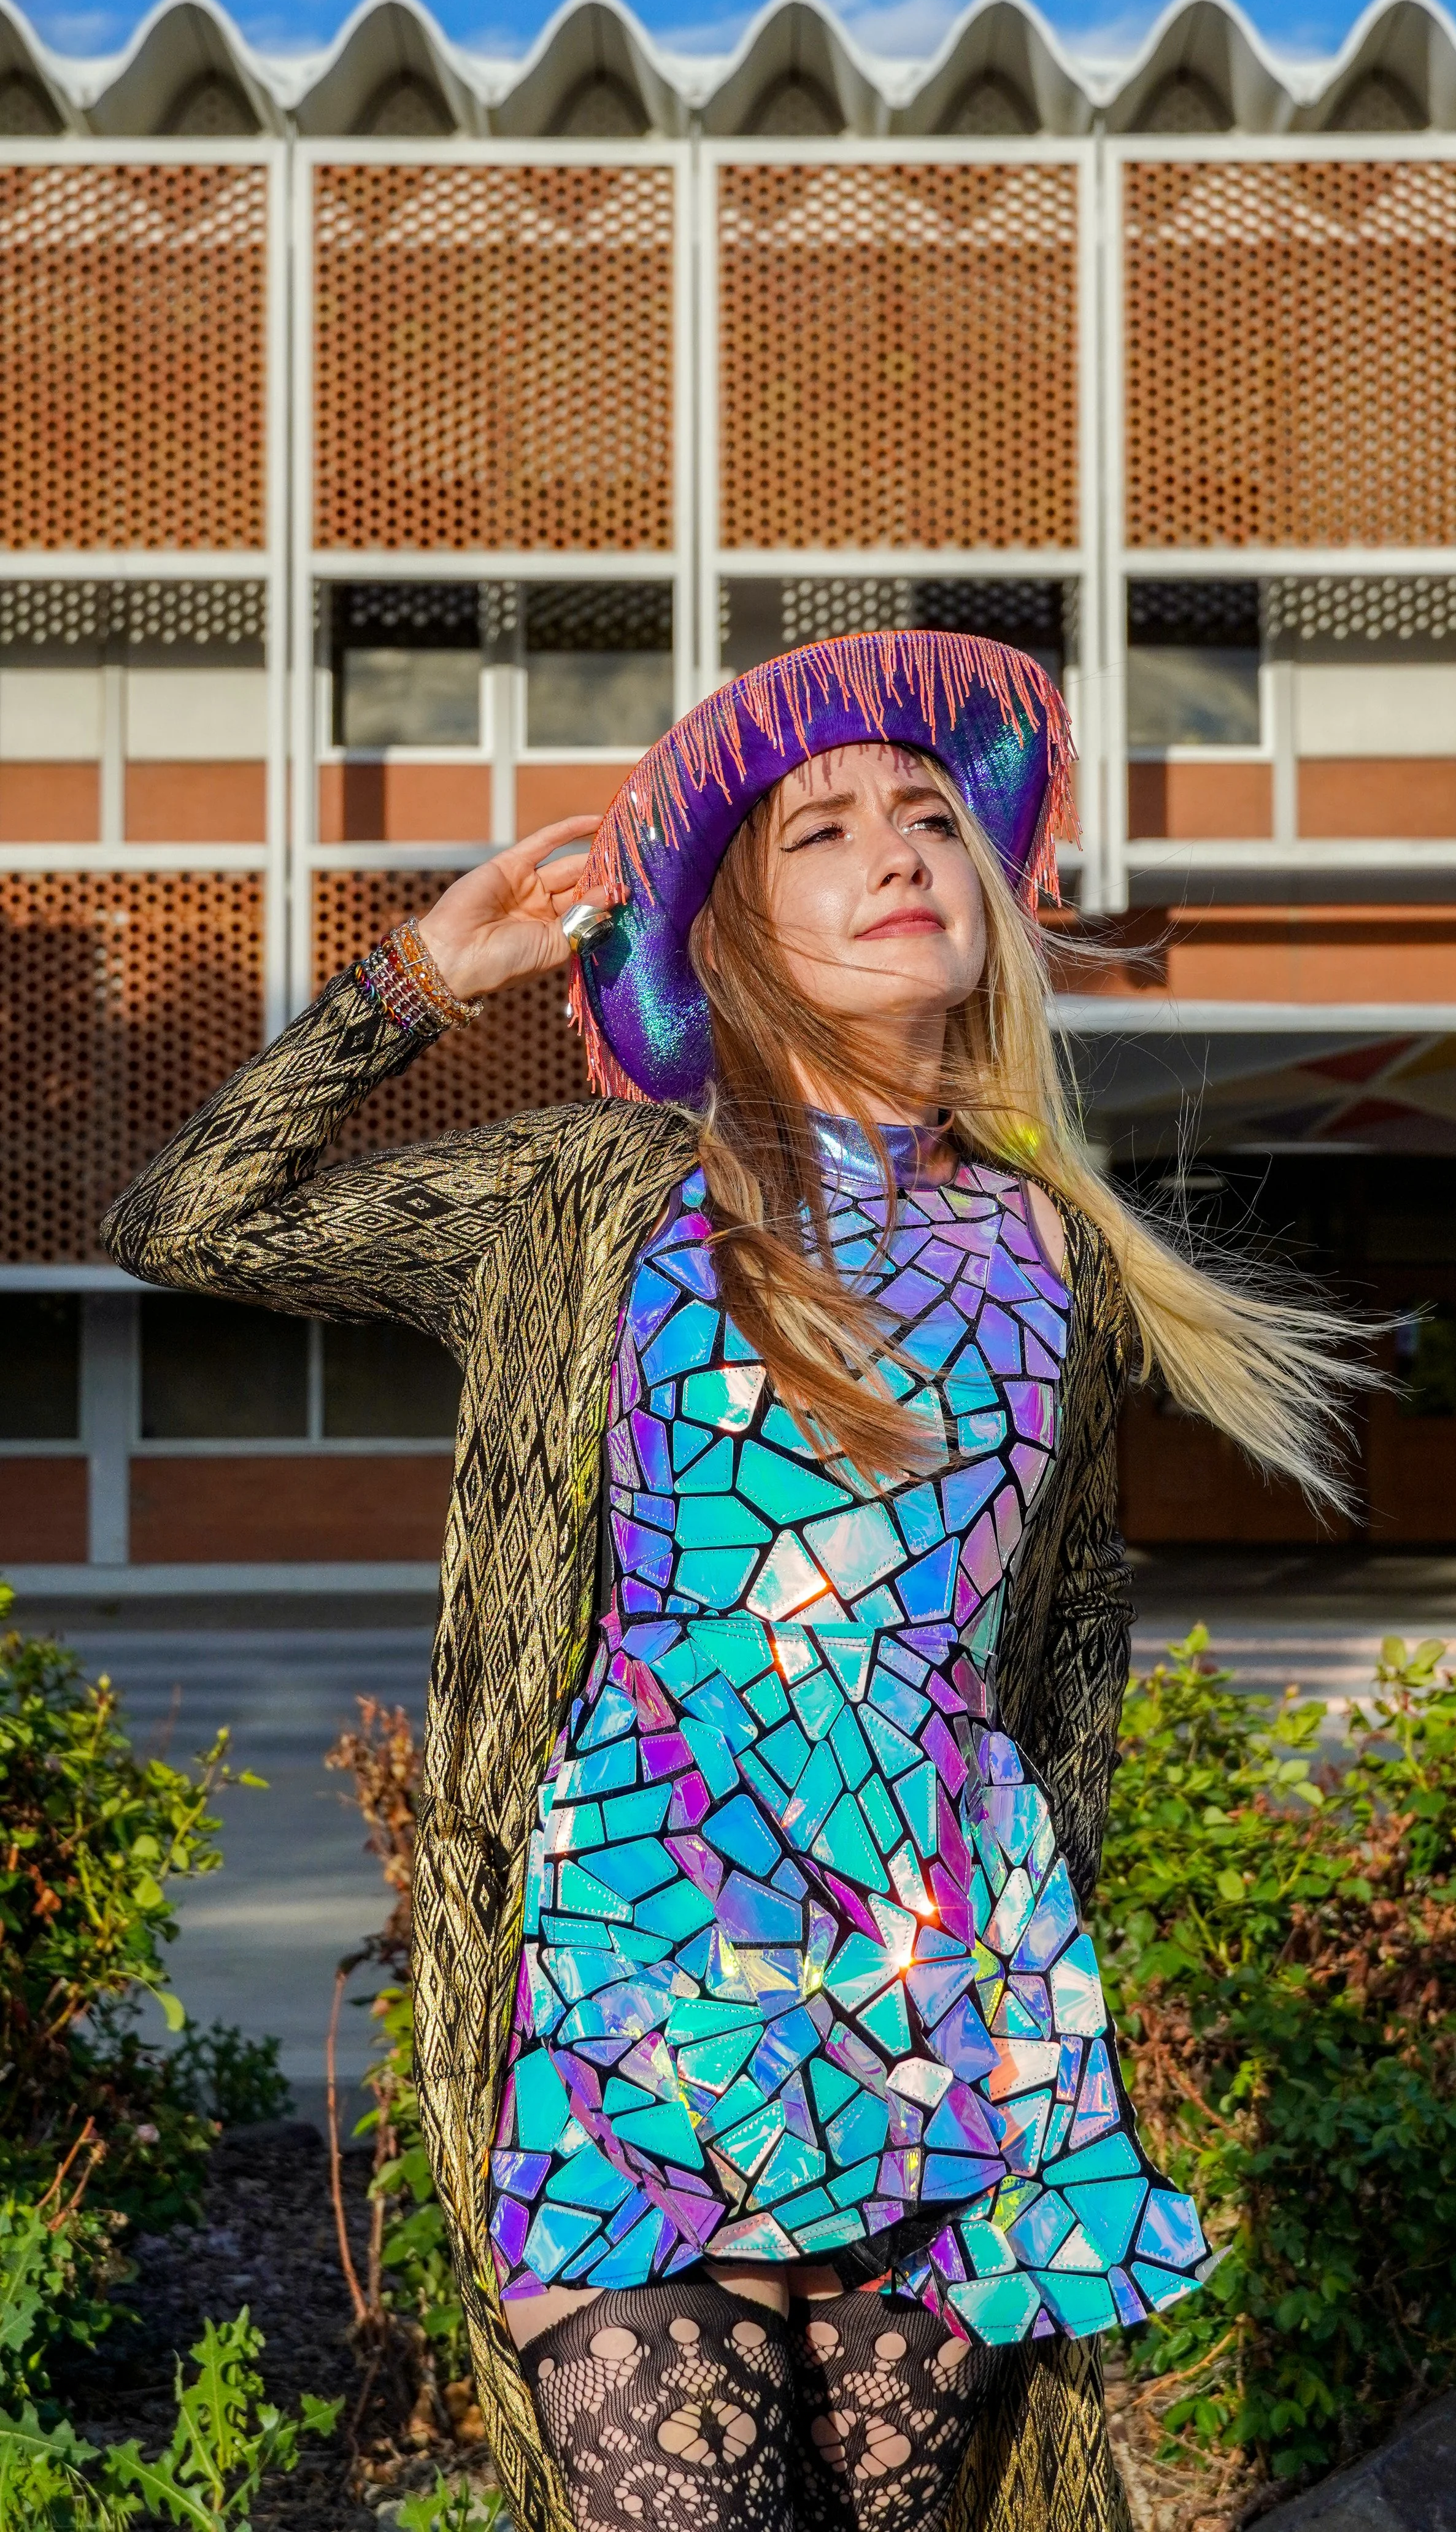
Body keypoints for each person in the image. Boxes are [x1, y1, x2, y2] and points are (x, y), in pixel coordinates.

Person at [105, 631, 1358, 2532]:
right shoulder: (610, 1194)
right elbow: (184, 1216)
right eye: (821, 833)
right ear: (737, 931)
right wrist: (425, 975)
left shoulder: (1055, 1248)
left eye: (932, 817)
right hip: (644, 1967)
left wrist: (1052, 1985)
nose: (897, 851)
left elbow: (1062, 1646)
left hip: (934, 1987)